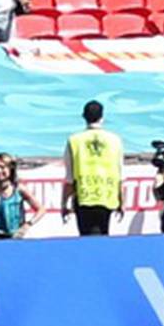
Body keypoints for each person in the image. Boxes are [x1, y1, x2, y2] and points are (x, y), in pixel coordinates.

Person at [62, 99, 123, 236]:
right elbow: (119, 174)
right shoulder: (115, 140)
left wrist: (64, 203)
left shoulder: (74, 140)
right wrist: (121, 200)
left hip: (84, 196)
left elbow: (70, 177)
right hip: (107, 195)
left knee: (86, 236)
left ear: (84, 117)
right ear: (102, 117)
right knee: (103, 233)